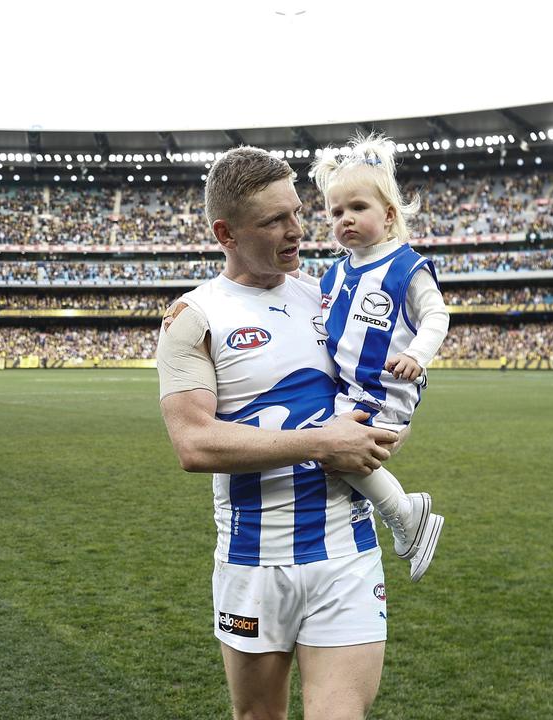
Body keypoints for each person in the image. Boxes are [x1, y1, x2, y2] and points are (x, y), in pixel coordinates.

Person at [157, 146, 401, 720]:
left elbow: (380, 400)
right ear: (226, 232)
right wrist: (321, 443)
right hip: (252, 561)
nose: (298, 231)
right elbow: (193, 444)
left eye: (296, 212)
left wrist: (387, 422)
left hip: (346, 552)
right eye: (274, 221)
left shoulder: (331, 296)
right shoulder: (194, 317)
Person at [309, 135, 447, 582]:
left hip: (383, 388)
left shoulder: (406, 265)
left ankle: (407, 516)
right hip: (350, 389)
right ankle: (400, 512)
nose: (345, 219)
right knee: (328, 454)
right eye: (336, 212)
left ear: (389, 215)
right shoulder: (338, 270)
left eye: (357, 208)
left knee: (337, 456)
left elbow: (436, 315)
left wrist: (417, 355)